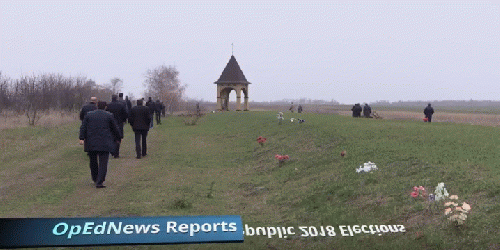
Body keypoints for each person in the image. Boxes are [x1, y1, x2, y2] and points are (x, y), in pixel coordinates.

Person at [79, 101, 122, 188]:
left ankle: (95, 178)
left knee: (93, 161)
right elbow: (115, 128)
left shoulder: (89, 115)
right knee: (103, 162)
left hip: (91, 141)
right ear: (105, 107)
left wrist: (81, 138)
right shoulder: (109, 115)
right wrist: (118, 138)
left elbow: (83, 127)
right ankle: (100, 181)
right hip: (104, 142)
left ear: (97, 106)